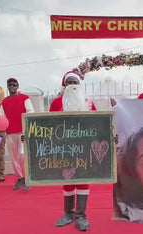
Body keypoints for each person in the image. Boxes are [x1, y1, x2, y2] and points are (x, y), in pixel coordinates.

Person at [50, 71, 96, 231]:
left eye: (74, 83)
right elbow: (48, 125)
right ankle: (68, 213)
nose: (72, 86)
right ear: (64, 86)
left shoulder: (89, 102)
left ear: (80, 85)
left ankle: (81, 216)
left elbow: (99, 124)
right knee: (67, 179)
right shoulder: (56, 103)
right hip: (64, 149)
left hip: (84, 148)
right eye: (68, 83)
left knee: (83, 179)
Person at [2, 78, 34, 190]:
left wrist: (28, 130)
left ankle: (28, 178)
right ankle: (20, 178)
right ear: (7, 86)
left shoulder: (25, 98)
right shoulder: (4, 101)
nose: (11, 87)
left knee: (22, 156)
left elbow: (30, 113)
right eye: (9, 85)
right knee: (14, 157)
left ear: (17, 86)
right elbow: (3, 118)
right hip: (10, 133)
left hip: (22, 133)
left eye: (14, 85)